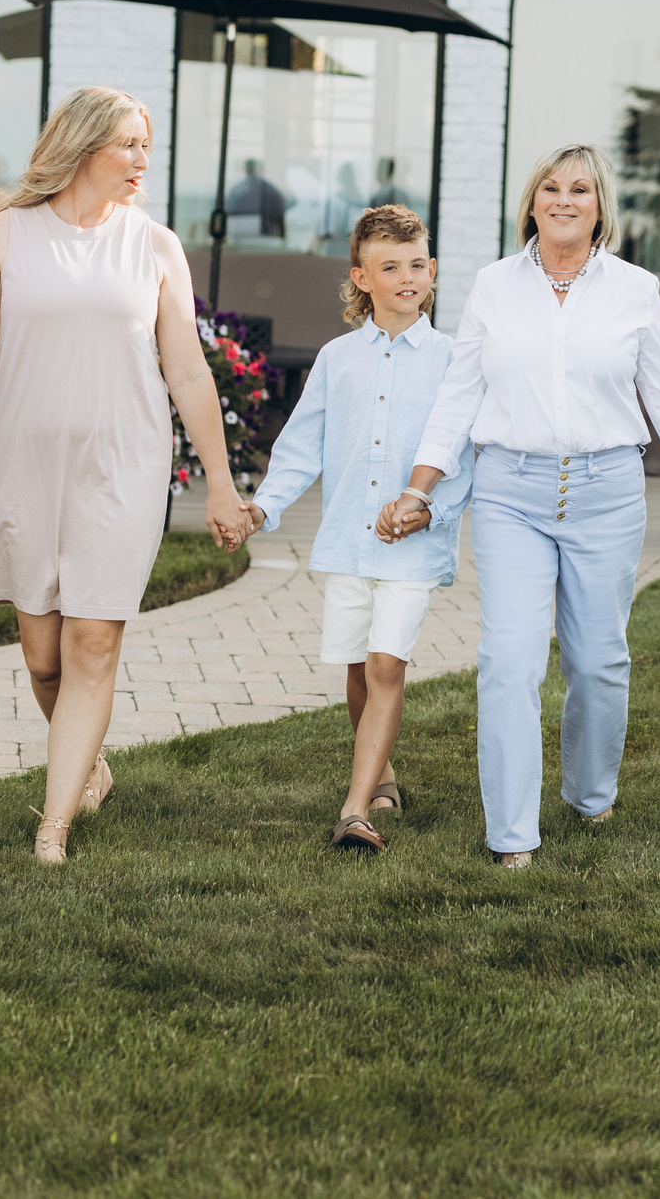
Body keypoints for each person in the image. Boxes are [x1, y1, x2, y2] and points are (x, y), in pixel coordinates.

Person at [0, 87, 255, 864]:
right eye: (127, 144)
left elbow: (190, 373)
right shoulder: (2, 234)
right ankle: (89, 763)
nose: (142, 159)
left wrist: (221, 483)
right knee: (44, 658)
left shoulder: (156, 246)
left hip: (124, 464)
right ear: (80, 147)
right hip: (25, 463)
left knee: (93, 644)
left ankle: (54, 828)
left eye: (146, 144)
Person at [391, 143, 660, 868]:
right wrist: (420, 485)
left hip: (608, 491)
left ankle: (590, 791)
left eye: (580, 188)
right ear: (532, 201)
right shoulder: (492, 286)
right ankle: (512, 834)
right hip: (511, 491)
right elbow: (461, 392)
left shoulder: (635, 289)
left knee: (598, 658)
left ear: (600, 205)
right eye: (550, 187)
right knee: (509, 659)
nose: (564, 199)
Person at [250, 204, 473, 853]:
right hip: (349, 538)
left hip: (415, 544)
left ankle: (354, 809)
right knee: (356, 664)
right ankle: (382, 772)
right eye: (390, 266)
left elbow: (467, 451)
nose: (407, 276)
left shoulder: (454, 359)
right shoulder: (337, 358)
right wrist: (264, 506)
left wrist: (430, 507)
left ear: (431, 269)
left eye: (416, 264)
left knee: (385, 662)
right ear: (362, 277)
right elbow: (301, 445)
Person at [224, 158, 287, 240]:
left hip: (241, 240)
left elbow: (227, 214)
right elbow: (280, 220)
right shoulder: (272, 190)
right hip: (267, 241)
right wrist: (283, 242)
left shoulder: (236, 190)